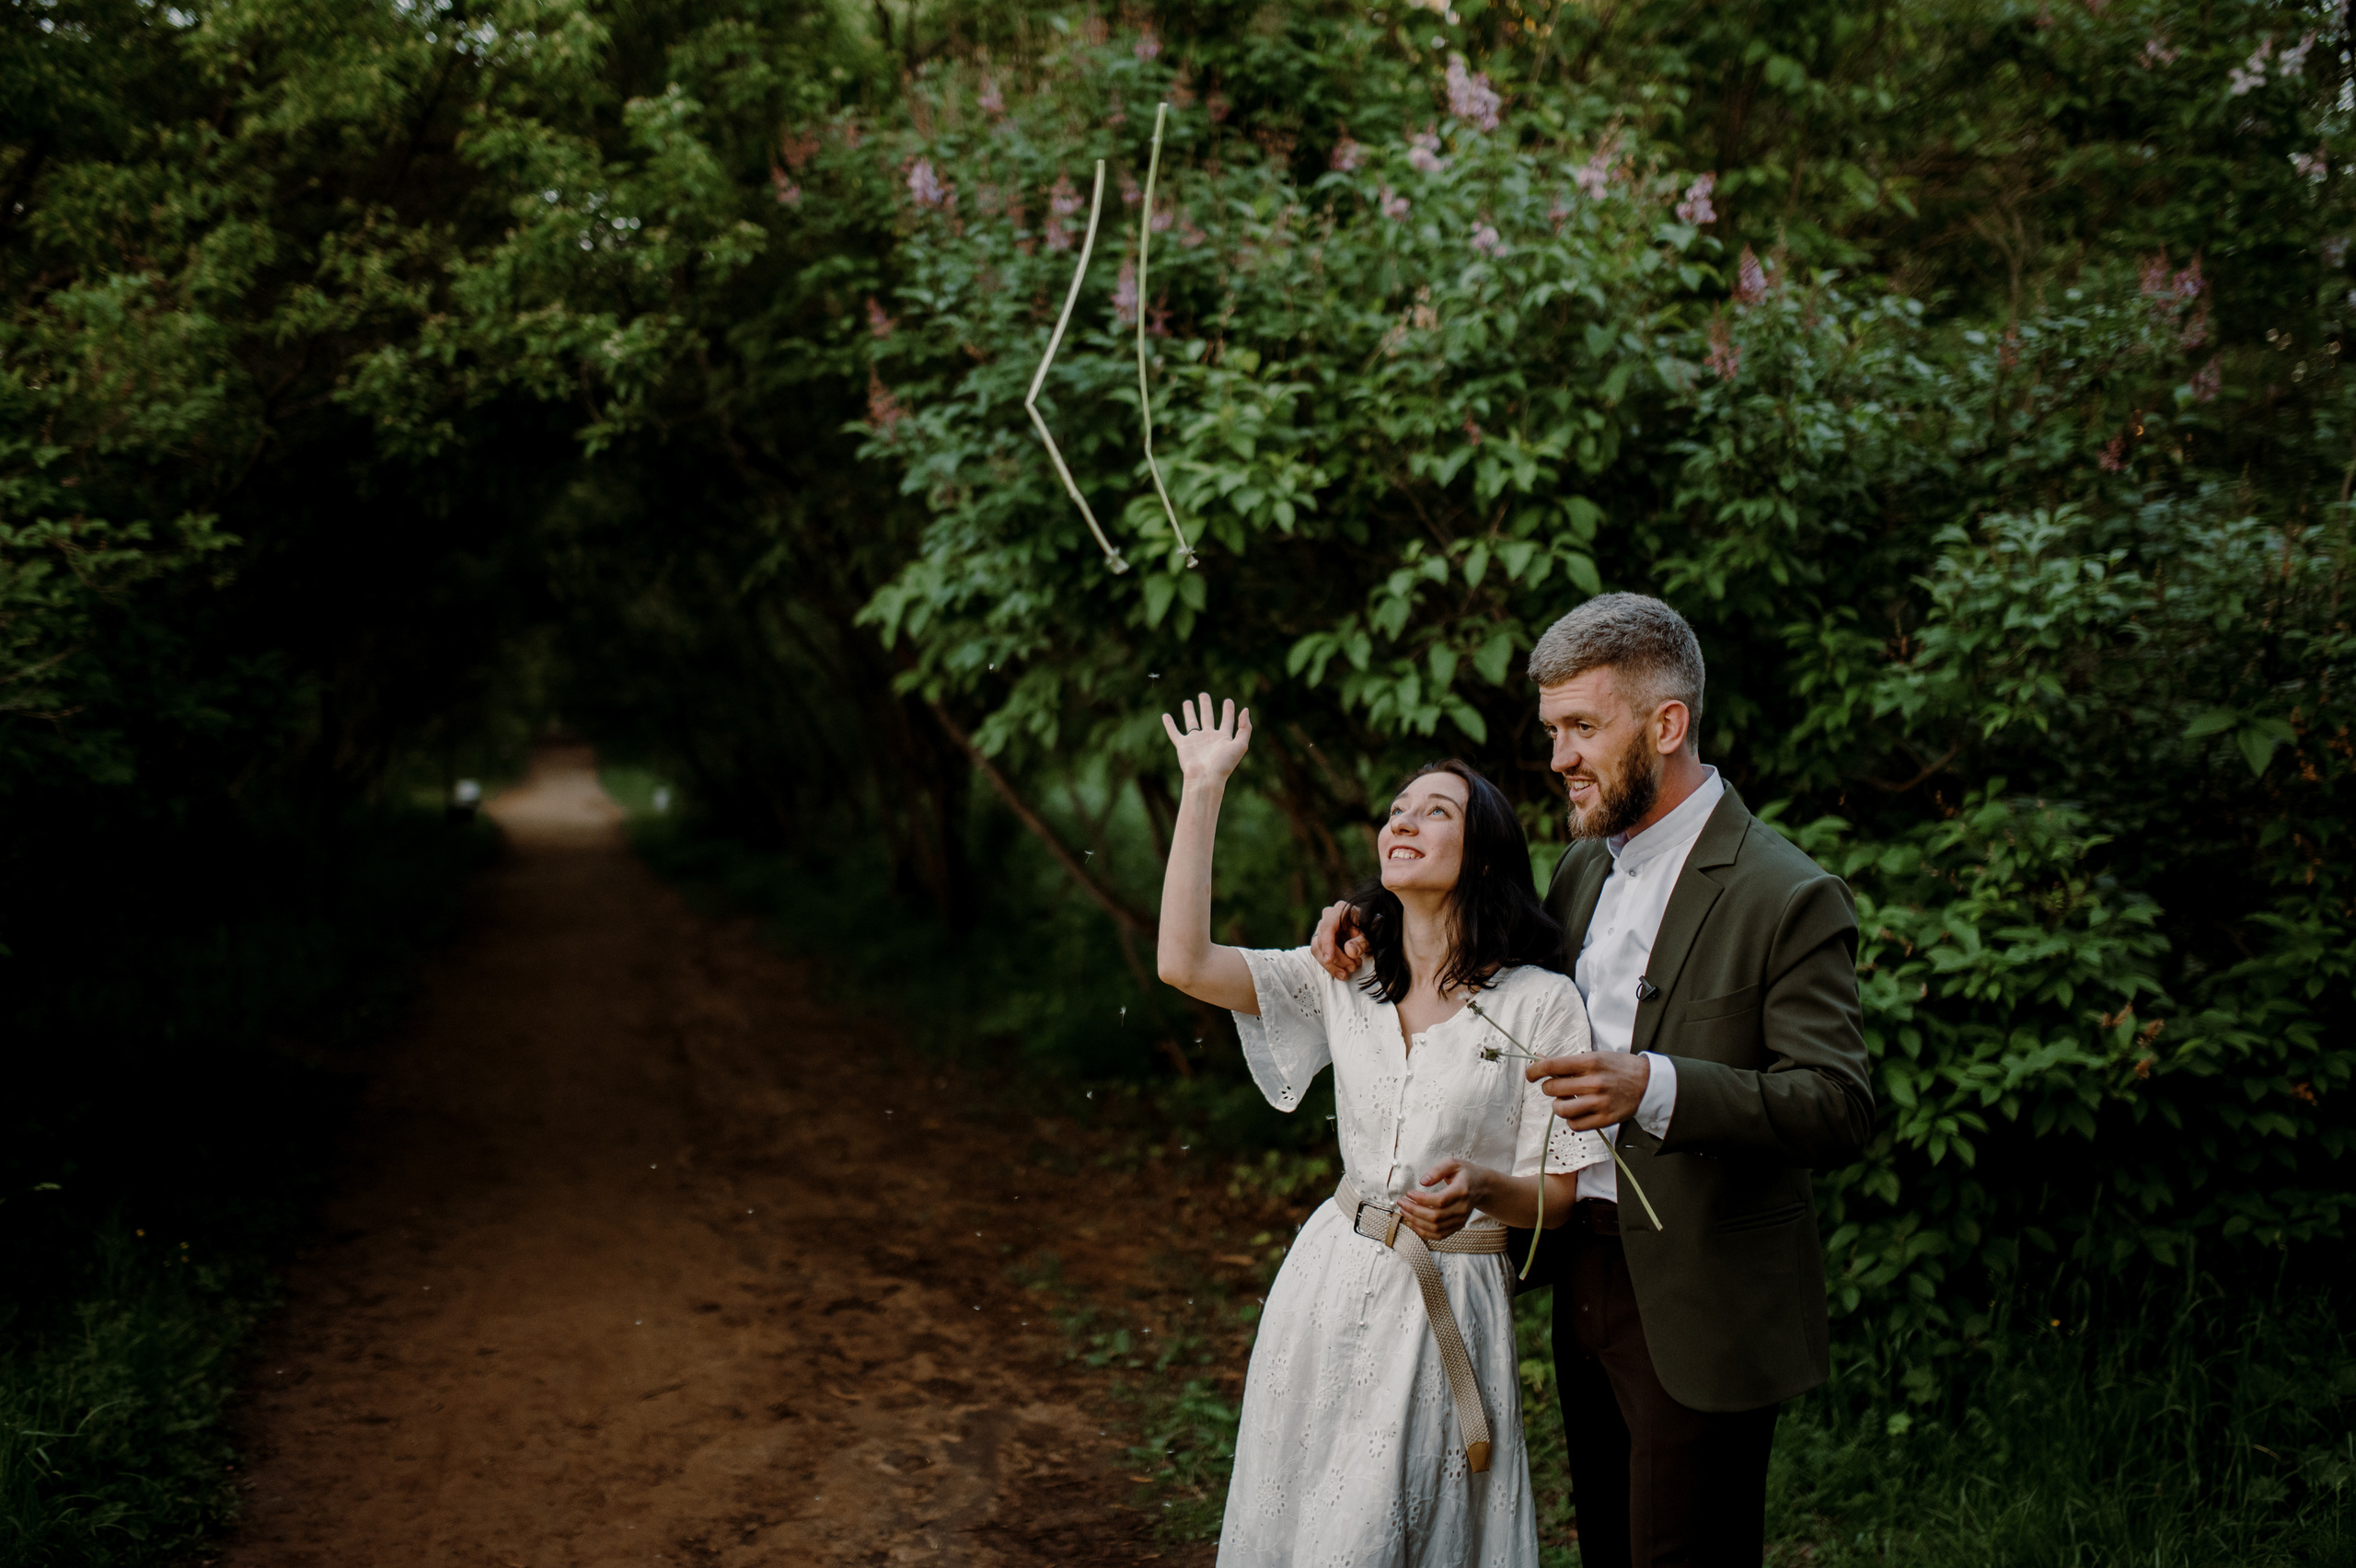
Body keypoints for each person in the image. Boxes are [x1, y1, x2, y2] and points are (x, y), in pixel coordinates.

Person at [1312, 594, 1874, 1568]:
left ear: (1665, 725)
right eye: (1551, 730)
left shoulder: (1786, 893)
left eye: (1582, 727)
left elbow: (1836, 1105)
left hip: (1703, 1294)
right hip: (1576, 1274)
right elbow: (1478, 960)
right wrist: (1363, 927)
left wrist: (1652, 1084)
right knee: (1608, 1546)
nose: (1560, 755)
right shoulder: (1578, 873)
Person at [1155, 693, 1608, 1568]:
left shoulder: (1539, 1005)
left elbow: (1561, 1190)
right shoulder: (1345, 977)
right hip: (1328, 1282)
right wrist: (1203, 788)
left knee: (1392, 1533)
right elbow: (1184, 964)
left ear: (1483, 855)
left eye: (1436, 812)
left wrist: (1482, 1188)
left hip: (1452, 1299)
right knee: (1306, 1523)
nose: (1404, 821)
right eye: (1398, 810)